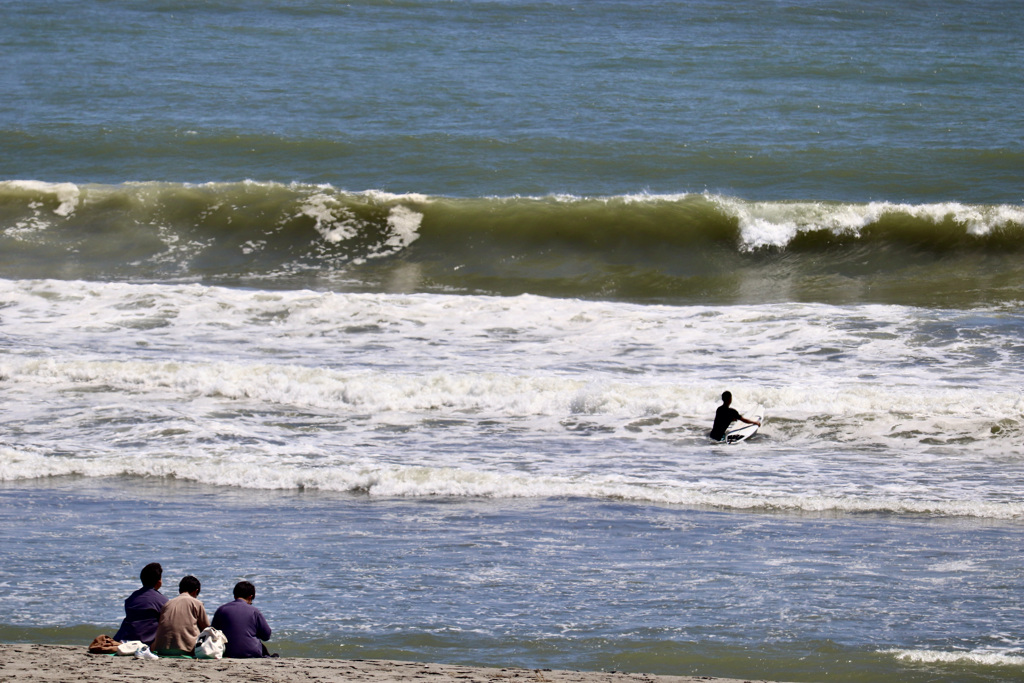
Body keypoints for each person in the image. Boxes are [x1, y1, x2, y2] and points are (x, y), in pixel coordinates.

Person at [151, 575, 210, 657]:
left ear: (180, 590)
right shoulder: (197, 603)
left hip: (162, 648)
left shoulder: (167, 604)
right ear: (195, 591)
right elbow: (207, 629)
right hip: (186, 649)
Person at [212, 581, 274, 658]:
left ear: (235, 596)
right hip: (252, 653)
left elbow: (213, 632)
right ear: (250, 597)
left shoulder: (221, 610)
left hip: (227, 653)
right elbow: (266, 635)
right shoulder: (254, 611)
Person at [114, 562, 168, 645]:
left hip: (126, 638)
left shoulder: (132, 597)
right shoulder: (162, 600)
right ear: (158, 582)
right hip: (147, 641)